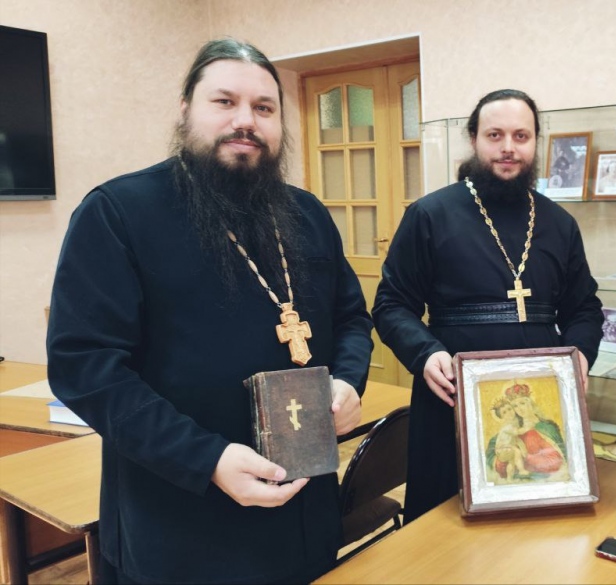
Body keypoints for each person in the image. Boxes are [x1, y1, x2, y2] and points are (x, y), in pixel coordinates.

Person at [46, 39, 374, 584]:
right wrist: (206, 459)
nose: (245, 120)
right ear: (185, 110)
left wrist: (347, 380)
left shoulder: (307, 214)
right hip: (181, 521)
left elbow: (352, 320)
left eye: (264, 108)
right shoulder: (119, 212)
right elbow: (85, 367)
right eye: (224, 102)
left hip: (304, 514)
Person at [372, 88, 604, 522]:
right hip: (451, 395)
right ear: (474, 139)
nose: (508, 147)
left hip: (540, 399)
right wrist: (425, 353)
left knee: (535, 518)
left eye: (521, 136)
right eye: (495, 135)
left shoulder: (559, 223)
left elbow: (584, 309)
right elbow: (392, 304)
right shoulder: (430, 215)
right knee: (442, 527)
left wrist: (580, 356)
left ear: (535, 142)